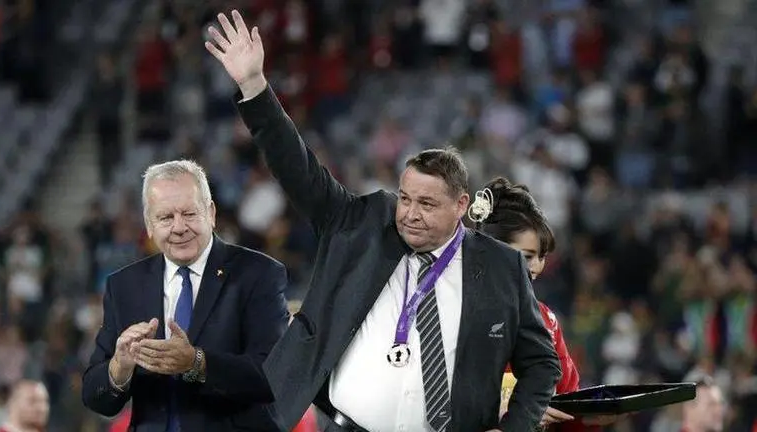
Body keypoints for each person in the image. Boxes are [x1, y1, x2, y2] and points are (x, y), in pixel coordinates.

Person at [206, 11, 561, 432]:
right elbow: (297, 168)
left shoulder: (502, 266)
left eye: (427, 204)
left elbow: (542, 363)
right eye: (405, 198)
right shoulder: (361, 224)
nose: (410, 213)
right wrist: (254, 86)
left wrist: (515, 427)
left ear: (461, 205)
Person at [81, 160, 290, 430]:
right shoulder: (124, 285)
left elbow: (274, 375)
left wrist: (196, 362)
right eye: (166, 218)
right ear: (150, 225)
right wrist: (119, 368)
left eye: (189, 214)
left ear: (211, 213)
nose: (179, 227)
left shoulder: (258, 274)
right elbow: (94, 396)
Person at [470, 176, 620, 431]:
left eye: (541, 257)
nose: (537, 267)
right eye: (526, 257)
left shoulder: (545, 320)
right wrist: (517, 415)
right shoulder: (455, 312)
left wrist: (587, 419)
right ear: (490, 252)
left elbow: (566, 401)